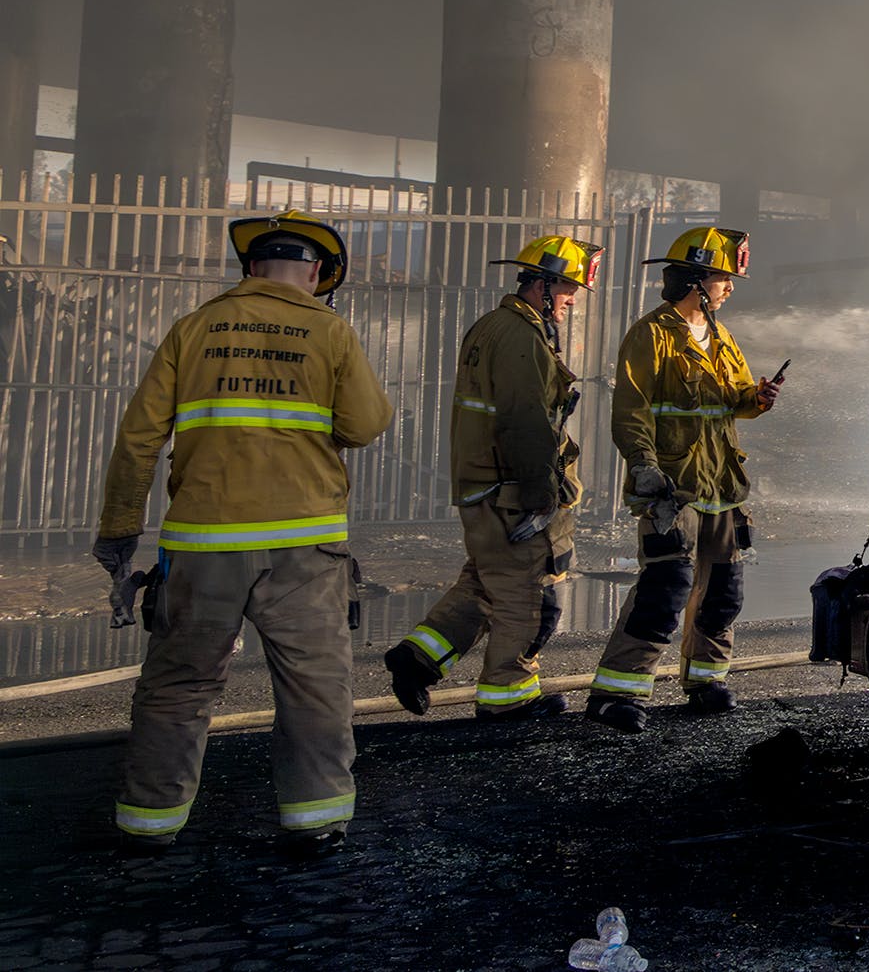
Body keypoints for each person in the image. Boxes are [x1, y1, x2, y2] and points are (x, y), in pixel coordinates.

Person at [93, 209, 393, 858]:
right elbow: (365, 424)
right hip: (303, 541)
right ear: (314, 273)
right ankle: (315, 819)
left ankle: (150, 822)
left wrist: (119, 529)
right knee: (314, 681)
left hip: (204, 540)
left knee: (180, 683)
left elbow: (140, 436)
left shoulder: (193, 327)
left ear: (251, 267)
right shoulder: (328, 328)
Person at [384, 235, 604, 721]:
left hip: (485, 484)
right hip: (510, 490)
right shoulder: (523, 336)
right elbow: (526, 421)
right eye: (567, 287)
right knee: (527, 595)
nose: (571, 298)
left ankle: (418, 658)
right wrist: (541, 495)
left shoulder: (494, 326)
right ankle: (510, 696)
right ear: (542, 286)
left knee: (488, 583)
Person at [584, 226, 780, 733]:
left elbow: (733, 398)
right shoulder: (650, 335)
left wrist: (756, 399)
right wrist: (644, 467)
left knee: (722, 590)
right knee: (666, 586)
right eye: (723, 278)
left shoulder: (719, 335)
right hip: (675, 485)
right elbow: (631, 411)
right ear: (696, 280)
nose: (730, 288)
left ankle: (705, 680)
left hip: (722, 483)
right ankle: (616, 693)